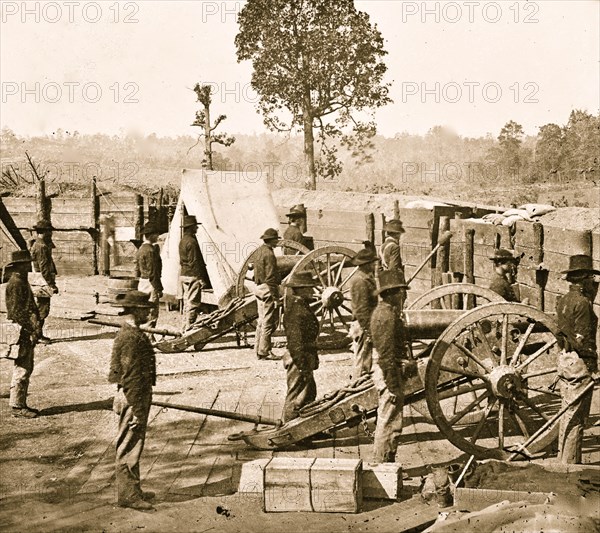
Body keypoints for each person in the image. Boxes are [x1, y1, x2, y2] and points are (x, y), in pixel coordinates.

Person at [108, 290, 157, 510]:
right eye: (145, 309)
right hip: (132, 396)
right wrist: (137, 409)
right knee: (128, 445)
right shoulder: (130, 337)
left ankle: (133, 489)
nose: (149, 312)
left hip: (131, 395)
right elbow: (130, 376)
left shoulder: (129, 332)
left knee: (134, 443)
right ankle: (128, 496)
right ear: (136, 311)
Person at [555, 254, 599, 464]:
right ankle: (571, 465)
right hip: (579, 363)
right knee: (577, 418)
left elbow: (559, 332)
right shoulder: (582, 303)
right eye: (590, 277)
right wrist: (593, 366)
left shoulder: (563, 300)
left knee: (567, 413)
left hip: (565, 359)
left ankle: (563, 458)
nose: (592, 281)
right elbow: (584, 341)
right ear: (584, 278)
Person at [370, 270, 409, 463]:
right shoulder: (387, 317)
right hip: (387, 373)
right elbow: (386, 357)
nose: (402, 294)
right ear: (392, 293)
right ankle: (382, 464)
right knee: (389, 421)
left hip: (385, 369)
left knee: (388, 420)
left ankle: (385, 462)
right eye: (400, 291)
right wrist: (393, 386)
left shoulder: (384, 312)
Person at [5, 250, 42, 418]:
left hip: (26, 330)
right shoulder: (16, 284)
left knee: (27, 366)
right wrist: (30, 329)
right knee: (22, 368)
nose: (30, 265)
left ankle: (20, 403)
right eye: (26, 263)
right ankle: (17, 406)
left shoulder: (22, 280)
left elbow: (31, 305)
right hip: (22, 331)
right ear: (19, 266)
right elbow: (16, 312)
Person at [281, 271, 319, 422]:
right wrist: (302, 365)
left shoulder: (300, 305)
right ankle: (289, 427)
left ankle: (308, 426)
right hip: (298, 358)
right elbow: (295, 342)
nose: (312, 291)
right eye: (309, 288)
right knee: (296, 395)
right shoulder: (297, 310)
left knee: (308, 393)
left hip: (304, 357)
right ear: (301, 289)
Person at [349, 248, 379, 380]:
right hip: (362, 325)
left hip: (365, 324)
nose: (375, 265)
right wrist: (368, 328)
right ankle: (357, 385)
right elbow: (361, 309)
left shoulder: (365, 278)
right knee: (362, 359)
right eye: (373, 263)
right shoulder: (360, 281)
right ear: (367, 264)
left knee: (365, 357)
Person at [253, 228, 281, 360]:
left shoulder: (259, 251)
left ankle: (258, 350)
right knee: (269, 322)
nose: (277, 241)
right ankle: (265, 351)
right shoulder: (270, 254)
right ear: (272, 240)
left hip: (258, 287)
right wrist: (276, 297)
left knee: (261, 321)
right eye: (276, 239)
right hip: (267, 289)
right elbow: (270, 278)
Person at [179, 215, 210, 331]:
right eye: (195, 227)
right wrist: (200, 278)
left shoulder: (182, 241)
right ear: (191, 228)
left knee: (187, 302)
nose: (197, 229)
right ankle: (189, 329)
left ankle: (184, 327)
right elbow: (194, 262)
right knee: (193, 303)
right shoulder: (192, 242)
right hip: (192, 275)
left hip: (184, 274)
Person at [29, 219, 58, 343]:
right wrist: (52, 285)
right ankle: (37, 336)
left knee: (39, 308)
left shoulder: (38, 244)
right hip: (42, 281)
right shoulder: (42, 247)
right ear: (44, 232)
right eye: (49, 231)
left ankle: (35, 335)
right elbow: (44, 268)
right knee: (42, 309)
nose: (51, 233)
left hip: (39, 279)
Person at [135, 222, 163, 328]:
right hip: (151, 283)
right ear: (151, 235)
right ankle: (150, 336)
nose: (158, 236)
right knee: (152, 312)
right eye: (156, 234)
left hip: (142, 282)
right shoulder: (150, 251)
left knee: (143, 310)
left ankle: (145, 335)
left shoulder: (141, 249)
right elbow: (153, 272)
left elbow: (137, 268)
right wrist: (159, 288)